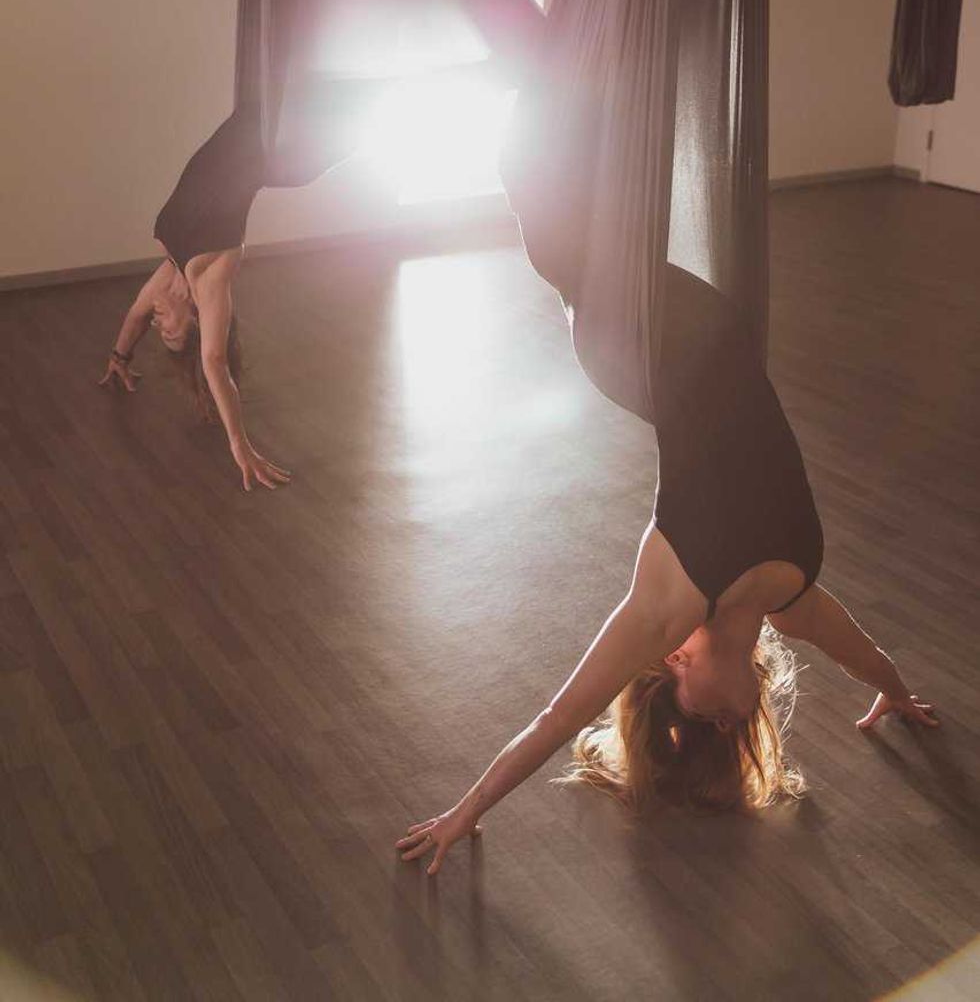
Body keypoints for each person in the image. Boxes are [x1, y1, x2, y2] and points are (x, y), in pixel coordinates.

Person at [396, 266, 937, 875]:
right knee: (589, 192)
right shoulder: (791, 601)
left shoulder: (669, 609)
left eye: (700, 718)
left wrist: (468, 810)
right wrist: (895, 693)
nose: (724, 723)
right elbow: (860, 654)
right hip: (705, 316)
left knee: (557, 237)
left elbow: (558, 718)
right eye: (728, 729)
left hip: (627, 341)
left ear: (677, 660)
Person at [99, 103, 309, 490]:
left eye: (159, 329)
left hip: (245, 126)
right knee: (325, 143)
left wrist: (119, 357)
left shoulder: (171, 274)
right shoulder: (210, 278)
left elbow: (136, 315)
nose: (160, 322)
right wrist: (239, 443)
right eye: (170, 331)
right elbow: (214, 360)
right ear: (196, 317)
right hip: (272, 144)